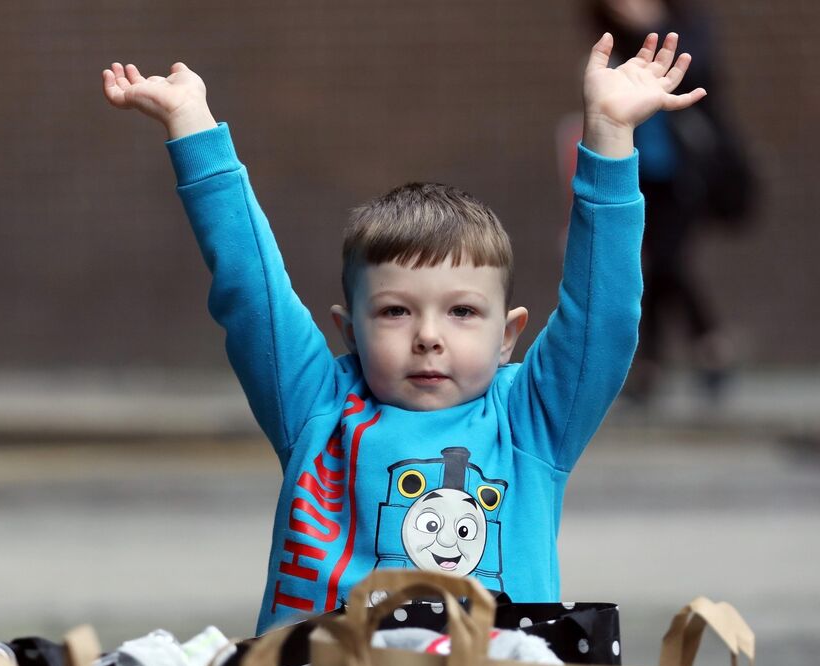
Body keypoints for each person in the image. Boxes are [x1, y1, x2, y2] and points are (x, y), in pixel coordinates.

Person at [102, 33, 705, 634]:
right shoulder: (316, 405)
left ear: (508, 336)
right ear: (348, 332)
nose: (427, 336)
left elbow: (605, 313)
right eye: (395, 312)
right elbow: (251, 291)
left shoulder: (531, 421)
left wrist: (608, 134)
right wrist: (192, 125)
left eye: (462, 312)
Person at [589, 0, 750, 403]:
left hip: (683, 174)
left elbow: (701, 76)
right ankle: (678, 357)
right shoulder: (609, 39)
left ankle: (687, 349)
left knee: (666, 260)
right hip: (637, 172)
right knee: (654, 264)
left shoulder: (687, 26)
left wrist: (656, 26)